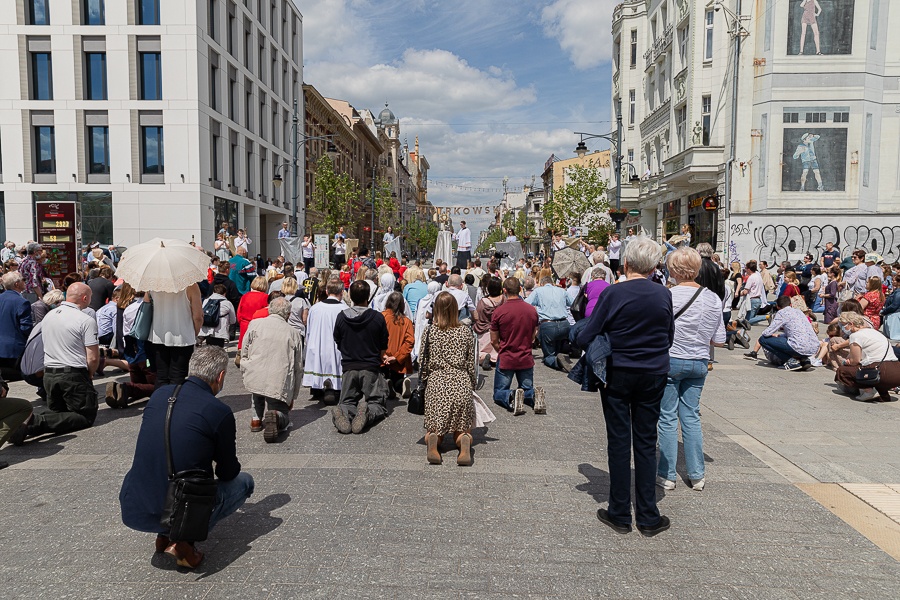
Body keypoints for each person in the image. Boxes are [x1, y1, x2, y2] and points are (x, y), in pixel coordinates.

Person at [118, 346, 254, 569]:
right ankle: (183, 541)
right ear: (220, 377)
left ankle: (163, 536)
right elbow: (227, 472)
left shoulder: (160, 394)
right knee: (245, 483)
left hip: (137, 502)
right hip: (179, 504)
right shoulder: (218, 410)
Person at [576, 236, 674, 537]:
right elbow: (668, 335)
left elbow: (588, 333)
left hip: (618, 372)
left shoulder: (613, 293)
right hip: (654, 372)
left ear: (626, 263)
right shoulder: (662, 294)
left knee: (619, 440)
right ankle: (647, 515)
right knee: (646, 441)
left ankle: (619, 511)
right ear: (655, 265)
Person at [656, 248, 725, 493]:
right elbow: (719, 339)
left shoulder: (668, 296)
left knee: (666, 417)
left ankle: (667, 475)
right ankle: (697, 475)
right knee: (692, 416)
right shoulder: (713, 298)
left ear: (674, 270)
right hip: (699, 361)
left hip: (672, 359)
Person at [8, 283, 99, 445]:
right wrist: (89, 374)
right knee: (84, 416)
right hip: (72, 373)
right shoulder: (85, 319)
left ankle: (27, 424)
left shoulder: (49, 316)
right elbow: (92, 357)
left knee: (59, 412)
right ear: (85, 298)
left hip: (49, 373)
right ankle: (34, 422)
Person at [421, 291, 478, 465]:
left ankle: (433, 440)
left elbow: (423, 360)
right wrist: (472, 384)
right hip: (460, 382)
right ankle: (464, 441)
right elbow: (470, 363)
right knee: (462, 428)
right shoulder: (465, 332)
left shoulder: (430, 331)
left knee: (435, 428)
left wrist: (425, 381)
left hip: (437, 384)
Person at [240, 297, 303, 442]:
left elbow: (245, 348)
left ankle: (256, 419)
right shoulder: (293, 332)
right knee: (281, 411)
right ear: (287, 314)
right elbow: (298, 366)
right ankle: (276, 415)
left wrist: (245, 364)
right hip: (278, 378)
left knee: (258, 388)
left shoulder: (255, 324)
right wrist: (293, 395)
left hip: (255, 372)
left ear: (270, 309)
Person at [331, 281, 390, 434]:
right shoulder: (377, 317)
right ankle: (367, 412)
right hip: (370, 367)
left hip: (349, 367)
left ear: (350, 295)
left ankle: (344, 412)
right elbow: (384, 343)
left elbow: (337, 339)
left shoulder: (341, 317)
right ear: (368, 296)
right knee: (377, 403)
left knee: (347, 401)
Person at [491, 277, 543, 415]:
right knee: (526, 388)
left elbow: (494, 340)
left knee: (499, 392)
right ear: (520, 289)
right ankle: (532, 395)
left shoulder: (499, 312)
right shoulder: (531, 310)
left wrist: (500, 350)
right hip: (525, 355)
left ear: (504, 291)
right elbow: (533, 335)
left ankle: (512, 396)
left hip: (507, 355)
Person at [833, 312, 900, 402]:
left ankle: (867, 390)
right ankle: (883, 395)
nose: (843, 328)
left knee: (842, 371)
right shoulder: (876, 333)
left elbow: (855, 360)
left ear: (851, 324)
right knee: (871, 370)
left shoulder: (855, 335)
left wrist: (846, 362)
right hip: (896, 369)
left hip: (881, 370)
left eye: (844, 325)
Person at [148, 281, 203, 387]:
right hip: (182, 336)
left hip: (158, 334)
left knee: (161, 375)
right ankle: (174, 402)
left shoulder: (152, 285)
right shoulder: (190, 285)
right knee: (178, 376)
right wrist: (194, 332)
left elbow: (147, 306)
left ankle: (160, 401)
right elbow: (198, 316)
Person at [302, 278, 346, 403]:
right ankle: (334, 388)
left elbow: (309, 329)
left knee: (319, 364)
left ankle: (317, 387)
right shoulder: (344, 309)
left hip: (318, 343)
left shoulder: (315, 308)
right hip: (336, 346)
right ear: (341, 292)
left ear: (327, 291)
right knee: (335, 364)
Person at [747, 296, 819, 370]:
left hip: (799, 346)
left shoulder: (782, 313)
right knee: (794, 341)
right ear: (791, 305)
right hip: (814, 347)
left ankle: (791, 361)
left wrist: (773, 335)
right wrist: (780, 335)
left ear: (778, 307)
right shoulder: (799, 311)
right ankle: (804, 360)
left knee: (763, 340)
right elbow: (798, 331)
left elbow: (767, 333)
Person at [525, 276, 573, 372]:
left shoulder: (538, 291)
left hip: (548, 325)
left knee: (548, 356)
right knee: (558, 343)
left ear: (542, 283)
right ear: (552, 283)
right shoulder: (562, 291)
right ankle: (559, 355)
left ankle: (555, 361)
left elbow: (526, 304)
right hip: (564, 324)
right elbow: (572, 303)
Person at [0, 271, 34, 380]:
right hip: (14, 350)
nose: (25, 282)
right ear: (16, 284)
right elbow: (26, 327)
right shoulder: (21, 302)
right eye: (23, 280)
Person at [381, 292, 414, 399]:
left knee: (382, 377)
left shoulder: (381, 317)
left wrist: (383, 355)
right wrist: (397, 356)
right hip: (399, 359)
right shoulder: (407, 321)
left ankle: (386, 384)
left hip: (383, 357)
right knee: (398, 378)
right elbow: (409, 341)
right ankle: (401, 385)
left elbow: (374, 337)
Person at [474, 277, 504, 371]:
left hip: (485, 331)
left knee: (479, 352)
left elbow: (477, 315)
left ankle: (484, 357)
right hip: (499, 332)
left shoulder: (483, 302)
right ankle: (496, 358)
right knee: (498, 350)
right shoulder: (503, 300)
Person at [236, 276, 270, 351]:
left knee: (244, 346)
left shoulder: (245, 296)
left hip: (244, 324)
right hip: (259, 325)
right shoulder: (266, 297)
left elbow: (239, 311)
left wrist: (240, 322)